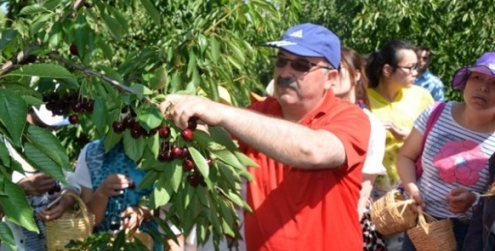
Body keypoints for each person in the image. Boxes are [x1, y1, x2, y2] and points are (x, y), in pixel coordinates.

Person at [160, 23, 370, 250]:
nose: (285, 72)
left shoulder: (350, 118)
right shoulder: (258, 113)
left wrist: (220, 111)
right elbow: (211, 145)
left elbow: (313, 150)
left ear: (330, 77)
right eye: (281, 61)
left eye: (300, 65)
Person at [397, 52, 495, 251]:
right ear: (466, 82)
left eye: (494, 83)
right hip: (422, 223)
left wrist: (474, 200)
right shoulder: (436, 112)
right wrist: (413, 190)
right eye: (477, 77)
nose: (484, 87)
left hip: (469, 234)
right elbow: (406, 157)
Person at [0, 105, 79, 251]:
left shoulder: (51, 147)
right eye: (40, 125)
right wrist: (20, 190)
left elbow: (71, 185)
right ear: (20, 113)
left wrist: (64, 201)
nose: (47, 132)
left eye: (53, 128)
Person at [332, 46, 387, 250]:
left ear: (356, 76)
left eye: (336, 69)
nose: (329, 76)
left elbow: (363, 190)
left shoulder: (371, 124)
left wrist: (344, 227)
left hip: (348, 216)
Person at [366, 40, 434, 199]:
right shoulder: (363, 100)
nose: (416, 72)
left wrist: (411, 138)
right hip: (370, 189)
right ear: (388, 70)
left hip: (414, 188)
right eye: (410, 68)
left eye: (416, 67)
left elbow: (438, 140)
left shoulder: (422, 97)